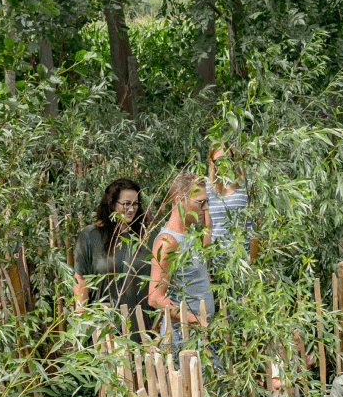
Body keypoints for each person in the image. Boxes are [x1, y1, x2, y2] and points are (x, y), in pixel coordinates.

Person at [148, 171, 216, 347]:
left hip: (201, 335)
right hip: (183, 337)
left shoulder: (190, 234)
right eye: (200, 203)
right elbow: (155, 297)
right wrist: (195, 321)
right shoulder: (168, 241)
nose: (205, 208)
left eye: (206, 202)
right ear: (179, 200)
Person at [73, 178, 150, 317]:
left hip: (141, 323)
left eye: (135, 204)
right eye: (126, 204)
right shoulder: (91, 236)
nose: (132, 209)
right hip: (103, 324)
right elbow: (81, 280)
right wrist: (81, 319)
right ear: (112, 203)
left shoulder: (147, 237)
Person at [205, 144, 250, 272]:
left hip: (244, 262)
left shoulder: (246, 185)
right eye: (219, 161)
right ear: (211, 162)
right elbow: (208, 228)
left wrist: (253, 257)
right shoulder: (208, 189)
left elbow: (259, 221)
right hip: (218, 265)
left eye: (228, 160)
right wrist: (206, 267)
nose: (224, 165)